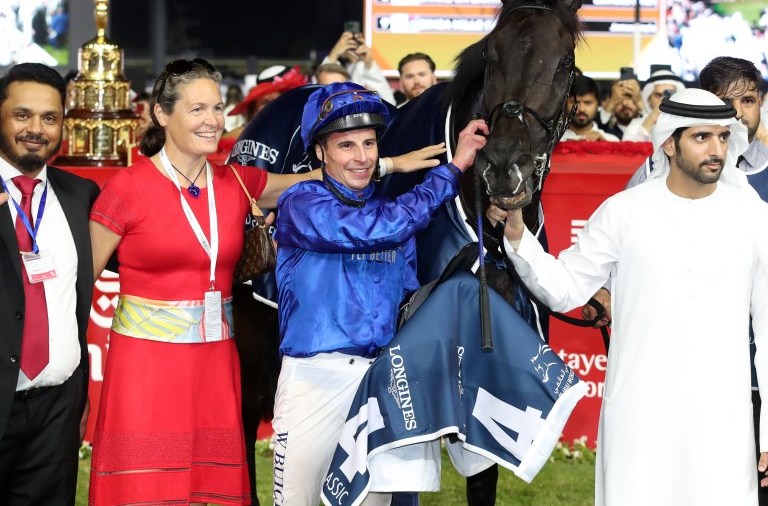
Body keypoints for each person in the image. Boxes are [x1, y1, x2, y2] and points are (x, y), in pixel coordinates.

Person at [492, 88, 768, 504]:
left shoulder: (755, 217)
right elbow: (565, 289)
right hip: (640, 412)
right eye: (702, 138)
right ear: (669, 143)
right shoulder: (624, 211)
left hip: (721, 416)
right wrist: (517, 236)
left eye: (723, 138)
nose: (716, 150)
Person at [86, 58, 325, 505]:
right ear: (162, 113)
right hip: (146, 366)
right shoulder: (127, 188)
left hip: (216, 361)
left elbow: (318, 178)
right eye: (197, 109)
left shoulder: (235, 181)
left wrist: (390, 162)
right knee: (146, 487)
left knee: (209, 488)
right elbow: (81, 287)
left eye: (217, 108)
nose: (213, 120)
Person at [269, 81, 487, 505]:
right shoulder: (301, 202)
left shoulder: (392, 216)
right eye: (346, 145)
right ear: (320, 152)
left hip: (379, 383)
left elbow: (407, 301)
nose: (362, 157)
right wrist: (452, 170)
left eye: (369, 143)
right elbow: (375, 230)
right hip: (314, 379)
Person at [622, 57, 768, 506]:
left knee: (757, 490)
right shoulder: (653, 175)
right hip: (678, 371)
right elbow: (621, 260)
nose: (740, 113)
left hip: (759, 377)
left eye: (748, 100)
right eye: (726, 103)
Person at [0, 63, 100, 505]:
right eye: (22, 115)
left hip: (56, 411)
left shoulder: (82, 195)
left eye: (49, 118)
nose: (35, 129)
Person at [223, 65, 308, 140]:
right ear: (254, 110)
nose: (273, 107)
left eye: (279, 101)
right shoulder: (237, 139)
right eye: (266, 102)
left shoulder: (308, 138)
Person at [322, 31, 396, 104]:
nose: (352, 45)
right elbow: (321, 97)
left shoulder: (363, 68)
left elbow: (389, 103)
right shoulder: (338, 71)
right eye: (347, 42)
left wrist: (369, 63)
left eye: (355, 42)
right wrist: (333, 55)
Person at [560, 73, 619, 141]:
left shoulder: (611, 141)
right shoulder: (551, 143)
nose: (582, 109)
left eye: (587, 103)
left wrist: (603, 145)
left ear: (598, 105)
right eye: (575, 103)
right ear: (565, 104)